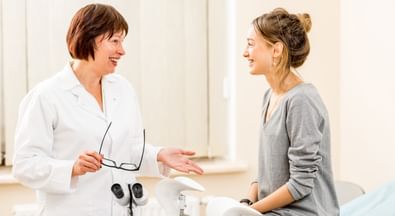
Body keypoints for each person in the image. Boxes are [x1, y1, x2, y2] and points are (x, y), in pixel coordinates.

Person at [12, 3, 203, 216]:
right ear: (88, 37)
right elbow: (24, 165)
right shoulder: (46, 96)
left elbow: (127, 149)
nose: (122, 51)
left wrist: (158, 155)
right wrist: (72, 168)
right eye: (115, 41)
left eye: (122, 41)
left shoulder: (122, 89)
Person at [241, 8, 339, 215]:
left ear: (276, 50)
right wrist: (246, 203)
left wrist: (252, 212)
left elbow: (301, 183)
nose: (245, 53)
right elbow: (268, 172)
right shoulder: (270, 96)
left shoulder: (302, 101)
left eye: (250, 44)